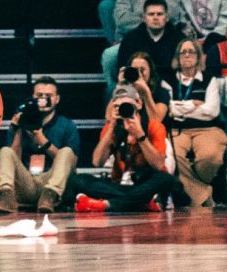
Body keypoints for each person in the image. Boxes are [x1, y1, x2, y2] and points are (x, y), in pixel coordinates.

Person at [71, 85, 175, 213]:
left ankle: (106, 204)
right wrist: (111, 126)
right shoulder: (112, 128)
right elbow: (97, 161)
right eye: (117, 106)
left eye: (127, 105)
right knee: (78, 180)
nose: (123, 109)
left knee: (166, 179)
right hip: (121, 184)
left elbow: (159, 165)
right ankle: (142, 203)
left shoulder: (153, 126)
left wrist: (140, 135)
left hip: (146, 182)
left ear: (139, 104)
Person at [0, 77, 79, 214]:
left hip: (51, 183)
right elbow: (13, 157)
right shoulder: (21, 121)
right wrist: (19, 129)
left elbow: (72, 164)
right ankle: (6, 197)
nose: (43, 99)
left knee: (67, 151)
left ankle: (50, 196)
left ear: (57, 99)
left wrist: (42, 140)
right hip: (25, 181)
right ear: (33, 97)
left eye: (49, 96)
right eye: (39, 95)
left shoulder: (67, 126)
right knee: (5, 151)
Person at [164, 39, 227, 207]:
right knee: (174, 157)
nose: (186, 55)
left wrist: (180, 107)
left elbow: (212, 111)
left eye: (191, 51)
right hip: (177, 129)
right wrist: (193, 104)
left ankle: (194, 190)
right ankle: (204, 195)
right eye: (182, 52)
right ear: (177, 57)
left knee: (210, 157)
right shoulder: (168, 80)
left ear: (198, 56)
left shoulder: (209, 79)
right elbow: (168, 109)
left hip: (208, 129)